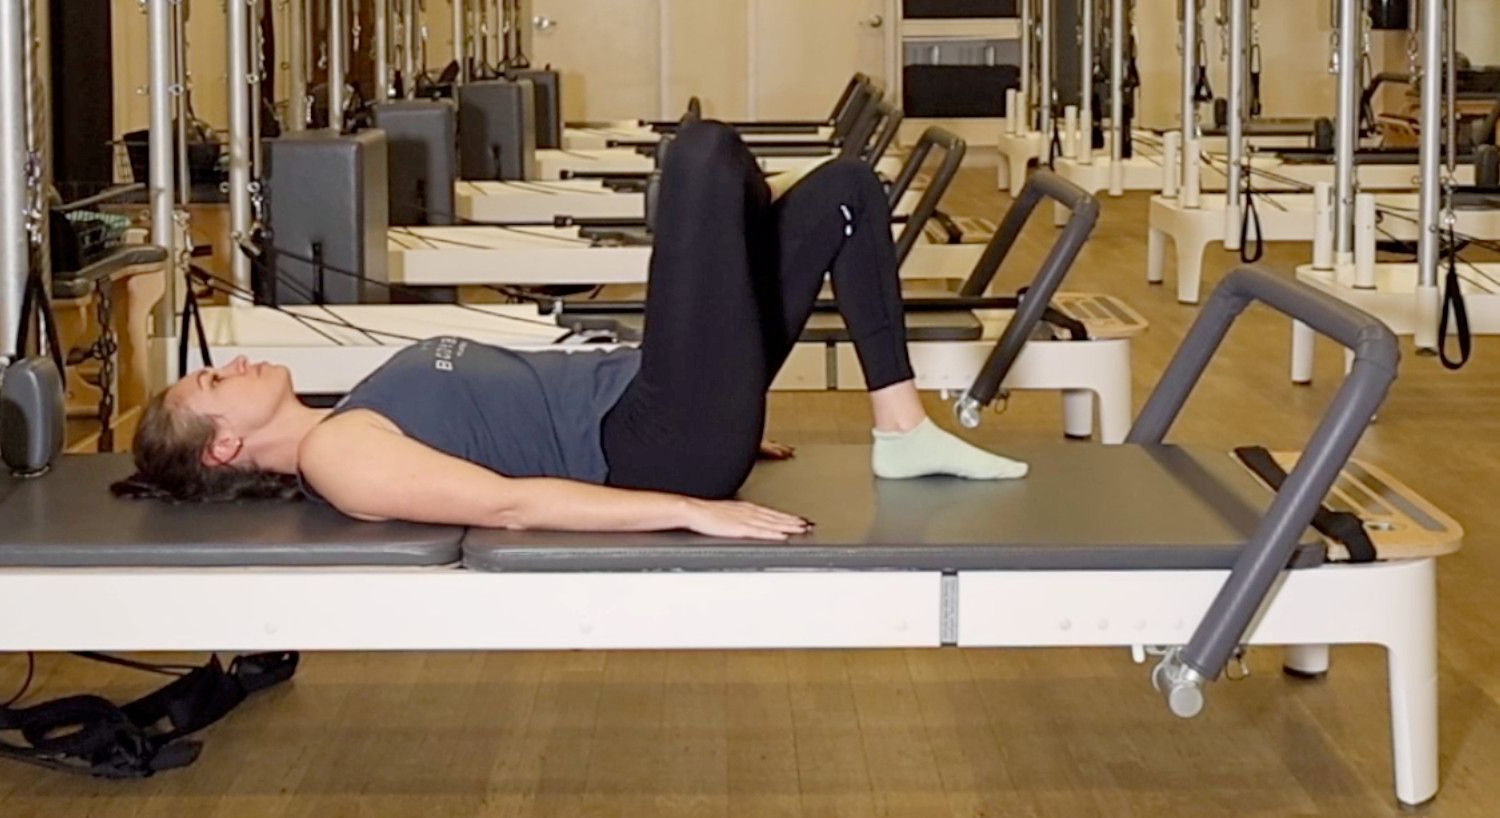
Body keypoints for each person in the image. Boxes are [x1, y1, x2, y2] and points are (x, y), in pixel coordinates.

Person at [114, 121, 1027, 541]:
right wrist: (688, 505)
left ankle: (902, 429)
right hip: (656, 441)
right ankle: (758, 414)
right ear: (226, 445)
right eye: (211, 382)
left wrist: (729, 396)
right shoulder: (340, 459)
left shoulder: (350, 409)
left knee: (846, 195)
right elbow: (511, 504)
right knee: (701, 158)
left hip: (668, 398)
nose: (227, 363)